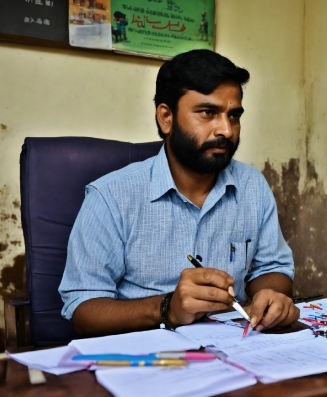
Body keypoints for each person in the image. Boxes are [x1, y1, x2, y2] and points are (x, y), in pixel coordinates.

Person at [59, 50, 299, 336]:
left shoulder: (252, 186)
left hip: (234, 351)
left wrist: (270, 295)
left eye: (233, 115)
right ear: (166, 117)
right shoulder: (111, 197)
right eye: (208, 113)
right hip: (144, 361)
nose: (226, 129)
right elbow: (83, 309)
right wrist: (167, 309)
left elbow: (272, 268)